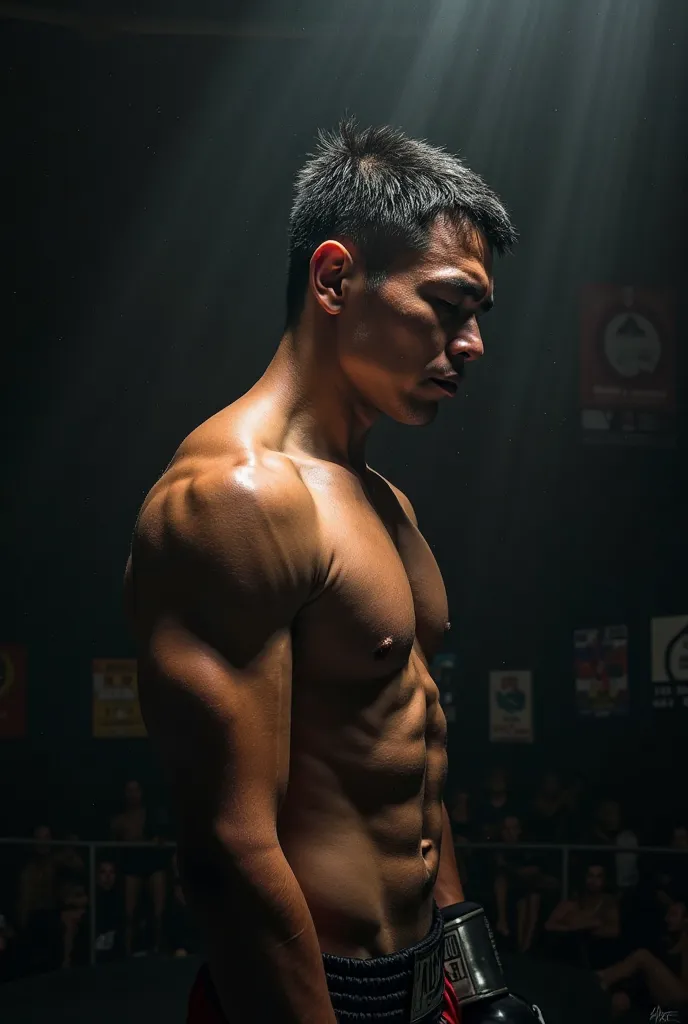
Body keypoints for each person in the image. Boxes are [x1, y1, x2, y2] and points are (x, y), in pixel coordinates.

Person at [126, 119, 544, 1024]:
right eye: (446, 304)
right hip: (314, 996)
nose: (471, 343)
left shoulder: (386, 503)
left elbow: (415, 755)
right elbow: (229, 853)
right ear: (334, 277)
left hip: (428, 975)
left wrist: (475, 985)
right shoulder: (234, 500)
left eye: (479, 315)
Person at [597, 901, 688, 1019]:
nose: (667, 919)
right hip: (660, 997)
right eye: (667, 914)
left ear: (686, 920)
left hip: (681, 1000)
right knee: (619, 1002)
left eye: (673, 915)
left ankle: (600, 978)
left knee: (643, 956)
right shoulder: (665, 941)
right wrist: (626, 993)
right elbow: (646, 975)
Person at [110, 779, 169, 954]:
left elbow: (164, 835)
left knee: (159, 913)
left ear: (142, 792)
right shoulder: (118, 820)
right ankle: (127, 952)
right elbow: (112, 846)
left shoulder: (153, 813)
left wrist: (159, 839)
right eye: (129, 790)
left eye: (136, 790)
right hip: (132, 863)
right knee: (129, 914)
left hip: (152, 860)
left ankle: (159, 949)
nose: (133, 794)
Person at [545, 863, 620, 970]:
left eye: (598, 876)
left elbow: (614, 930)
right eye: (590, 876)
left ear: (604, 880)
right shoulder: (573, 902)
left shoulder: (608, 903)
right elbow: (549, 925)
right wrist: (579, 927)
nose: (594, 881)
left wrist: (590, 927)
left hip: (598, 955)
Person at [493, 815, 541, 953]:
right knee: (501, 882)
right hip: (508, 887)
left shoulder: (527, 847)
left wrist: (515, 870)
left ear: (519, 830)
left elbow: (533, 870)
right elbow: (498, 869)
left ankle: (525, 947)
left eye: (513, 829)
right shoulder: (496, 847)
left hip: (526, 887)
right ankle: (502, 922)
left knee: (532, 900)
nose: (510, 833)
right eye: (506, 829)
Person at [16, 825, 56, 934]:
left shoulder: (59, 863)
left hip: (54, 917)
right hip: (32, 919)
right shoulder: (27, 867)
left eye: (46, 837)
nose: (43, 842)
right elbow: (24, 900)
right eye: (39, 838)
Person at [94, 859, 125, 964]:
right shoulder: (91, 901)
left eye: (111, 872)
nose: (108, 876)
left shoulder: (121, 902)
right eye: (103, 872)